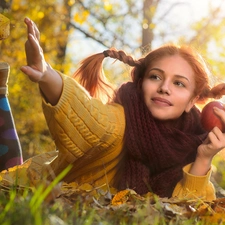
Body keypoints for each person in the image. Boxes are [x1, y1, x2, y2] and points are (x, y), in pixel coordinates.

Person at [19, 17, 225, 200]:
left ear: (192, 100)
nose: (164, 88)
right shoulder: (120, 120)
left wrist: (204, 157)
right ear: (141, 82)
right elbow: (85, 115)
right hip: (35, 187)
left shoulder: (193, 139)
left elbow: (192, 206)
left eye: (179, 83)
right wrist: (46, 74)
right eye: (156, 77)